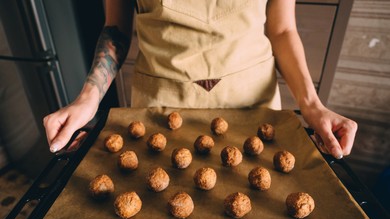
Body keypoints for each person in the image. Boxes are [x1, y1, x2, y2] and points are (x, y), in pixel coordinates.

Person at [43, 0, 357, 159]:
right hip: (162, 101)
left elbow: (283, 29)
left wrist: (312, 104)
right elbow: (116, 28)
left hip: (251, 102)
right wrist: (89, 98)